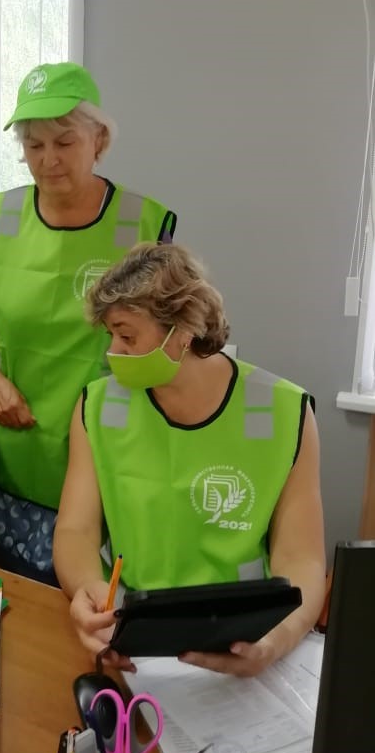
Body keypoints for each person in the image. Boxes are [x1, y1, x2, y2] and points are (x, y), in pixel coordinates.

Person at [0, 62, 177, 583]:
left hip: (102, 441)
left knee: (82, 597)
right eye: (34, 145)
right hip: (3, 441)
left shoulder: (143, 224)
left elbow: (167, 341)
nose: (48, 160)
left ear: (99, 140)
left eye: (65, 142)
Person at [53, 242, 326, 677]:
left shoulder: (286, 412)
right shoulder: (98, 406)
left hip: (244, 635)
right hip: (133, 634)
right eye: (110, 336)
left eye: (127, 336)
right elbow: (75, 530)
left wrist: (275, 642)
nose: (113, 352)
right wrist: (87, 589)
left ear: (183, 331)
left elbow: (303, 560)